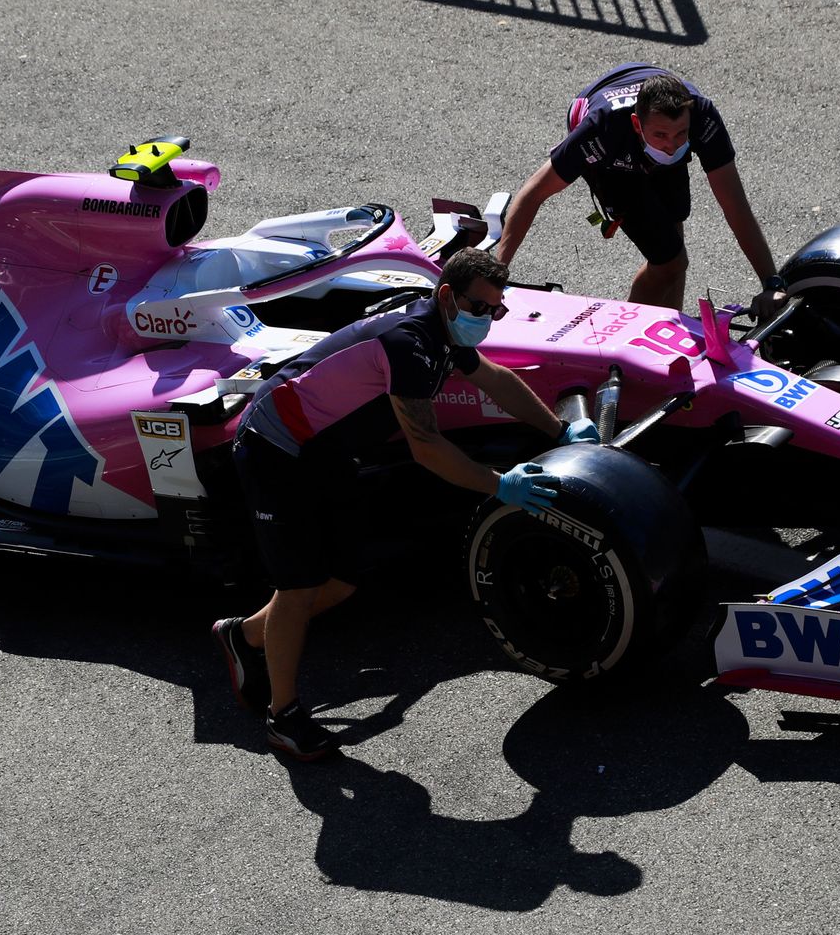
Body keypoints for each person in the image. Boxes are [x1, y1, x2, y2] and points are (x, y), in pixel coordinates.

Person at [211, 248, 600, 761]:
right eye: (480, 308)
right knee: (299, 586)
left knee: (342, 580)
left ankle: (243, 637)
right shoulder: (408, 342)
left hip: (325, 452)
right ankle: (283, 718)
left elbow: (495, 380)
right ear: (448, 296)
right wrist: (499, 485)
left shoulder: (446, 332)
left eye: (496, 309)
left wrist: (560, 430)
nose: (487, 318)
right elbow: (427, 446)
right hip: (275, 449)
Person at [494, 65, 786, 316]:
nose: (671, 145)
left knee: (673, 239)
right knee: (670, 260)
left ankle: (669, 328)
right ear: (637, 124)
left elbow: (735, 205)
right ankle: (626, 339)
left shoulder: (702, 115)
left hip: (642, 134)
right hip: (611, 160)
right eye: (661, 135)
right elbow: (533, 193)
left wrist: (771, 282)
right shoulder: (601, 129)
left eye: (681, 133)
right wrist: (497, 272)